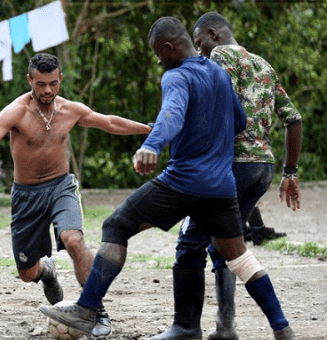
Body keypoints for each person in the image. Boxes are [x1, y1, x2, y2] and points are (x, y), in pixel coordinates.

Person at [39, 16, 297, 340]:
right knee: (238, 256)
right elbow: (241, 121)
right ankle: (281, 327)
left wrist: (152, 145)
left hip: (184, 180)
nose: (158, 60)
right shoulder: (218, 73)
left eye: (157, 53)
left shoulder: (175, 76)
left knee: (116, 225)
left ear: (169, 47)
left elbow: (171, 113)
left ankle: (87, 308)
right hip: (221, 187)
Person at [0, 52, 151, 337]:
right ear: (30, 80)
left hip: (61, 186)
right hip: (26, 196)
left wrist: (151, 130)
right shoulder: (15, 112)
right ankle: (46, 271)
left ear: (60, 79)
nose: (47, 90)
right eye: (40, 84)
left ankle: (95, 310)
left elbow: (109, 122)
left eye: (53, 83)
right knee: (27, 273)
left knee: (73, 240)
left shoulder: (70, 110)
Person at [148, 12, 303, 340]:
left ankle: (188, 327)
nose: (197, 48)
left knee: (191, 243)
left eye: (198, 39)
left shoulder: (213, 61)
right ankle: (230, 326)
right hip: (263, 167)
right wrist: (291, 171)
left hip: (228, 166)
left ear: (213, 34)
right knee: (225, 244)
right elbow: (293, 118)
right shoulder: (264, 65)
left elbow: (207, 106)